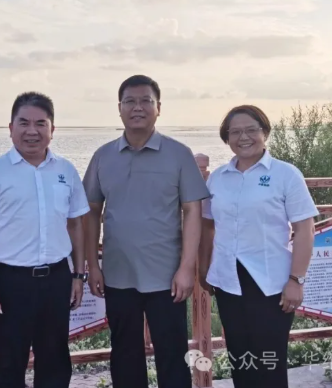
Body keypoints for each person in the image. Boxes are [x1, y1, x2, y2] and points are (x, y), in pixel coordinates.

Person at [82, 75, 210, 388]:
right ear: (119, 108)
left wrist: (187, 268)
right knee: (124, 353)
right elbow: (91, 212)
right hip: (117, 274)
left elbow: (193, 211)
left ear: (158, 108)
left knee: (172, 354)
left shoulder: (178, 154)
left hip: (167, 277)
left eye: (145, 101)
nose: (137, 108)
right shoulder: (103, 156)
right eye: (130, 101)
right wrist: (92, 265)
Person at [0, 91, 90, 388]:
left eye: (40, 123)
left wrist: (78, 275)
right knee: (8, 364)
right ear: (11, 128)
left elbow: (76, 224)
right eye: (23, 123)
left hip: (57, 278)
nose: (32, 131)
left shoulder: (66, 170)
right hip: (10, 282)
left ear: (52, 129)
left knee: (55, 361)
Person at [199, 105, 318, 388]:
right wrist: (204, 270)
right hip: (228, 281)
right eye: (235, 132)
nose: (244, 137)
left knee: (269, 363)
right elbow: (207, 225)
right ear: (227, 138)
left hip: (270, 284)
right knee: (241, 360)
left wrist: (296, 280)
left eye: (251, 130)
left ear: (264, 132)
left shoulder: (286, 174)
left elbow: (305, 229)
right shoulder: (218, 178)